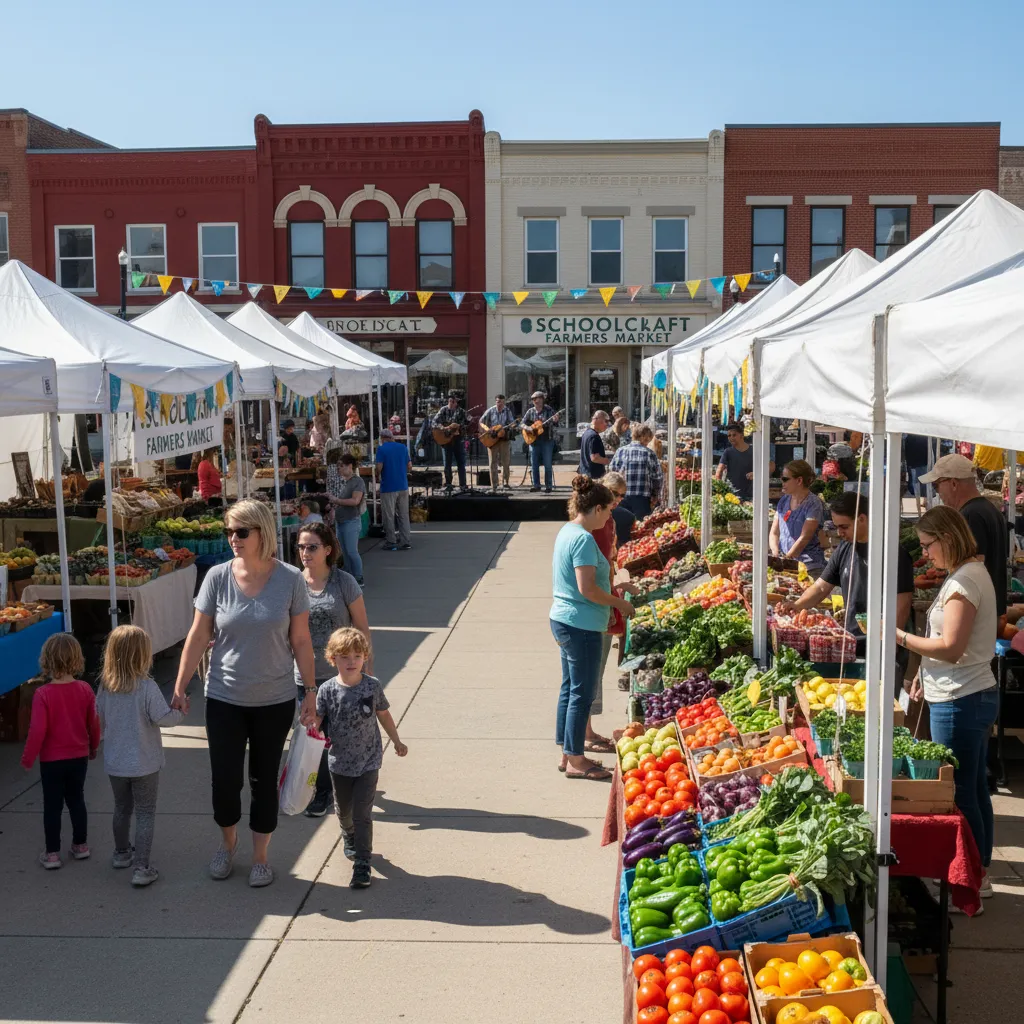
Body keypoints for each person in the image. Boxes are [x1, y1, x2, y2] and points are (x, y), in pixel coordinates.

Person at [171, 499, 316, 888]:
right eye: (229, 532)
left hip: (274, 699)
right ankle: (227, 844)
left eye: (241, 532)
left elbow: (301, 640)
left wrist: (311, 692)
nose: (233, 538)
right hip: (223, 698)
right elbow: (199, 635)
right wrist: (181, 684)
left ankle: (261, 857)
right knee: (224, 779)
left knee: (264, 780)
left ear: (261, 532)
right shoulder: (217, 577)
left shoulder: (290, 580)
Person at [896, 506, 999, 901]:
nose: (925, 555)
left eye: (927, 545)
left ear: (947, 538)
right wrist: (924, 672)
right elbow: (959, 645)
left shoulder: (964, 581)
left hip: (961, 699)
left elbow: (952, 647)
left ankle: (971, 880)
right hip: (965, 693)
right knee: (973, 789)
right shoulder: (969, 575)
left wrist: (900, 637)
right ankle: (981, 872)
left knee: (960, 794)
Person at [550, 475, 636, 781]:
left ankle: (567, 751)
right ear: (597, 508)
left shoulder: (568, 531)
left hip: (565, 619)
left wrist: (615, 585)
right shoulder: (584, 539)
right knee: (581, 693)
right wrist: (619, 602)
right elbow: (588, 589)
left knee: (569, 689)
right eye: (609, 510)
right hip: (581, 623)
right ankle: (575, 758)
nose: (611, 516)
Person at [312, 627, 407, 889]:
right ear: (333, 659)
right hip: (339, 762)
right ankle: (348, 835)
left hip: (368, 761)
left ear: (365, 657)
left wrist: (396, 741)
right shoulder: (328, 690)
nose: (351, 661)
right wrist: (310, 727)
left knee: (363, 814)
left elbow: (384, 715)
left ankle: (362, 864)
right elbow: (318, 721)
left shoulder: (372, 686)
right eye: (344, 656)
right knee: (344, 813)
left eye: (357, 656)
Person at [96, 625, 185, 887]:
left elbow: (97, 715)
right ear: (143, 655)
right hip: (145, 763)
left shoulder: (105, 686)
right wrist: (181, 711)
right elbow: (164, 719)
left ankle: (121, 852)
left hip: (116, 763)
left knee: (122, 808)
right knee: (145, 812)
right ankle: (142, 867)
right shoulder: (146, 687)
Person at [295, 522, 372, 818]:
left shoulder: (343, 582)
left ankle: (326, 791)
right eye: (301, 547)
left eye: (312, 547)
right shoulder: (293, 582)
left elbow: (362, 628)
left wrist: (366, 670)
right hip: (304, 674)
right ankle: (317, 787)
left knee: (334, 738)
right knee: (310, 732)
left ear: (328, 550)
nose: (305, 553)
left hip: (340, 676)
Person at [780, 491, 914, 662]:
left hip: (880, 647)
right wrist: (797, 605)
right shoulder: (845, 548)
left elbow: (902, 604)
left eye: (844, 526)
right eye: (837, 527)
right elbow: (821, 587)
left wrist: (889, 645)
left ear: (862, 519)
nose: (839, 532)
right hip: (852, 641)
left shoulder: (894, 554)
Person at [21, 633, 100, 869]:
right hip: (78, 756)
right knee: (77, 799)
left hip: (52, 760)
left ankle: (52, 853)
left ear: (46, 660)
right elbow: (93, 723)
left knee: (52, 805)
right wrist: (93, 747)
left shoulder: (42, 694)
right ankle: (80, 845)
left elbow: (37, 730)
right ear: (77, 659)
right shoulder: (85, 689)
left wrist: (28, 758)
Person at [587, 470, 640, 752]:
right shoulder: (592, 528)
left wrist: (620, 582)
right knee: (591, 670)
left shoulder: (607, 522)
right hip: (597, 606)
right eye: (616, 496)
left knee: (595, 669)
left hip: (605, 600)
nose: (619, 501)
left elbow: (610, 559)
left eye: (622, 496)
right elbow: (591, 578)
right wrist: (617, 600)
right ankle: (584, 733)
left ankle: (587, 730)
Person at [921, 454, 1008, 618]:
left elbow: (974, 567)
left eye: (936, 485)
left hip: (975, 611)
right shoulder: (988, 509)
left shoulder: (970, 515)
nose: (938, 493)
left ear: (953, 483)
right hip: (986, 607)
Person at [770, 459, 826, 573]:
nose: (782, 482)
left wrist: (786, 559)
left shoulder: (813, 504)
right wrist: (775, 554)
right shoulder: (784, 500)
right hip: (785, 563)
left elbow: (804, 538)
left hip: (808, 566)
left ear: (799, 480)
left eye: (785, 479)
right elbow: (774, 532)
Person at [609, 424, 665, 520]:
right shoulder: (649, 453)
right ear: (643, 437)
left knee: (622, 525)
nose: (648, 443)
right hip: (642, 498)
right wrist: (655, 495)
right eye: (648, 439)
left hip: (621, 497)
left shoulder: (620, 451)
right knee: (641, 527)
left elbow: (611, 473)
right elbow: (657, 478)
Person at [326, 452, 366, 585]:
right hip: (341, 520)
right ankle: (348, 575)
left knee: (351, 551)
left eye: (342, 466)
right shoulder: (345, 482)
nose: (339, 469)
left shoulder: (357, 481)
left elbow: (355, 501)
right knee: (344, 551)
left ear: (350, 466)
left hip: (351, 520)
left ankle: (359, 577)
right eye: (338, 466)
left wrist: (337, 500)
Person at [375, 428, 412, 550]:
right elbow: (409, 466)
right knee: (403, 514)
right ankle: (405, 540)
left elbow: (379, 467)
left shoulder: (381, 449)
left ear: (382, 438)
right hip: (403, 485)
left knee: (389, 515)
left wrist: (377, 476)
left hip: (388, 486)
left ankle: (391, 541)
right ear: (392, 437)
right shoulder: (403, 448)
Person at [523, 391, 559, 492]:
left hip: (547, 441)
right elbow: (521, 424)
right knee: (534, 464)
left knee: (547, 464)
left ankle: (548, 486)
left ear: (542, 399)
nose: (535, 401)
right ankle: (536, 485)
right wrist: (528, 428)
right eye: (533, 399)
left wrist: (556, 420)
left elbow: (556, 424)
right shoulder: (530, 411)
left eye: (536, 398)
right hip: (534, 442)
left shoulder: (549, 410)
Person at [479, 393, 516, 492]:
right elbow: (481, 421)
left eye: (502, 402)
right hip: (492, 440)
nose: (500, 404)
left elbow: (512, 423)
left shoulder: (508, 411)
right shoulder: (490, 411)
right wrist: (488, 430)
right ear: (496, 401)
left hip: (504, 440)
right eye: (498, 402)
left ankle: (506, 483)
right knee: (492, 463)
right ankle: (494, 485)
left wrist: (512, 426)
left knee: (506, 462)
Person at [433, 393, 469, 492]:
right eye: (449, 401)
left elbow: (468, 423)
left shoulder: (461, 412)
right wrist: (444, 428)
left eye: (453, 401)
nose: (451, 403)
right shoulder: (443, 410)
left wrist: (460, 427)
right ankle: (448, 484)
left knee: (461, 463)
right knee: (447, 464)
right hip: (446, 440)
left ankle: (463, 485)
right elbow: (434, 422)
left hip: (458, 440)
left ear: (456, 403)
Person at [716, 423, 754, 501]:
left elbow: (764, 467)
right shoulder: (728, 452)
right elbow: (719, 471)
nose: (731, 438)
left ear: (742, 435)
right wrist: (719, 490)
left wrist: (755, 473)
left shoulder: (753, 450)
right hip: (732, 494)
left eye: (734, 435)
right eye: (729, 436)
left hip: (752, 493)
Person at [579, 410, 611, 479]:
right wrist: (609, 461)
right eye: (606, 421)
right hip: (593, 477)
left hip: (585, 474)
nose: (607, 425)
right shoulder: (594, 436)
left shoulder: (587, 433)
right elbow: (595, 458)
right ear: (598, 420)